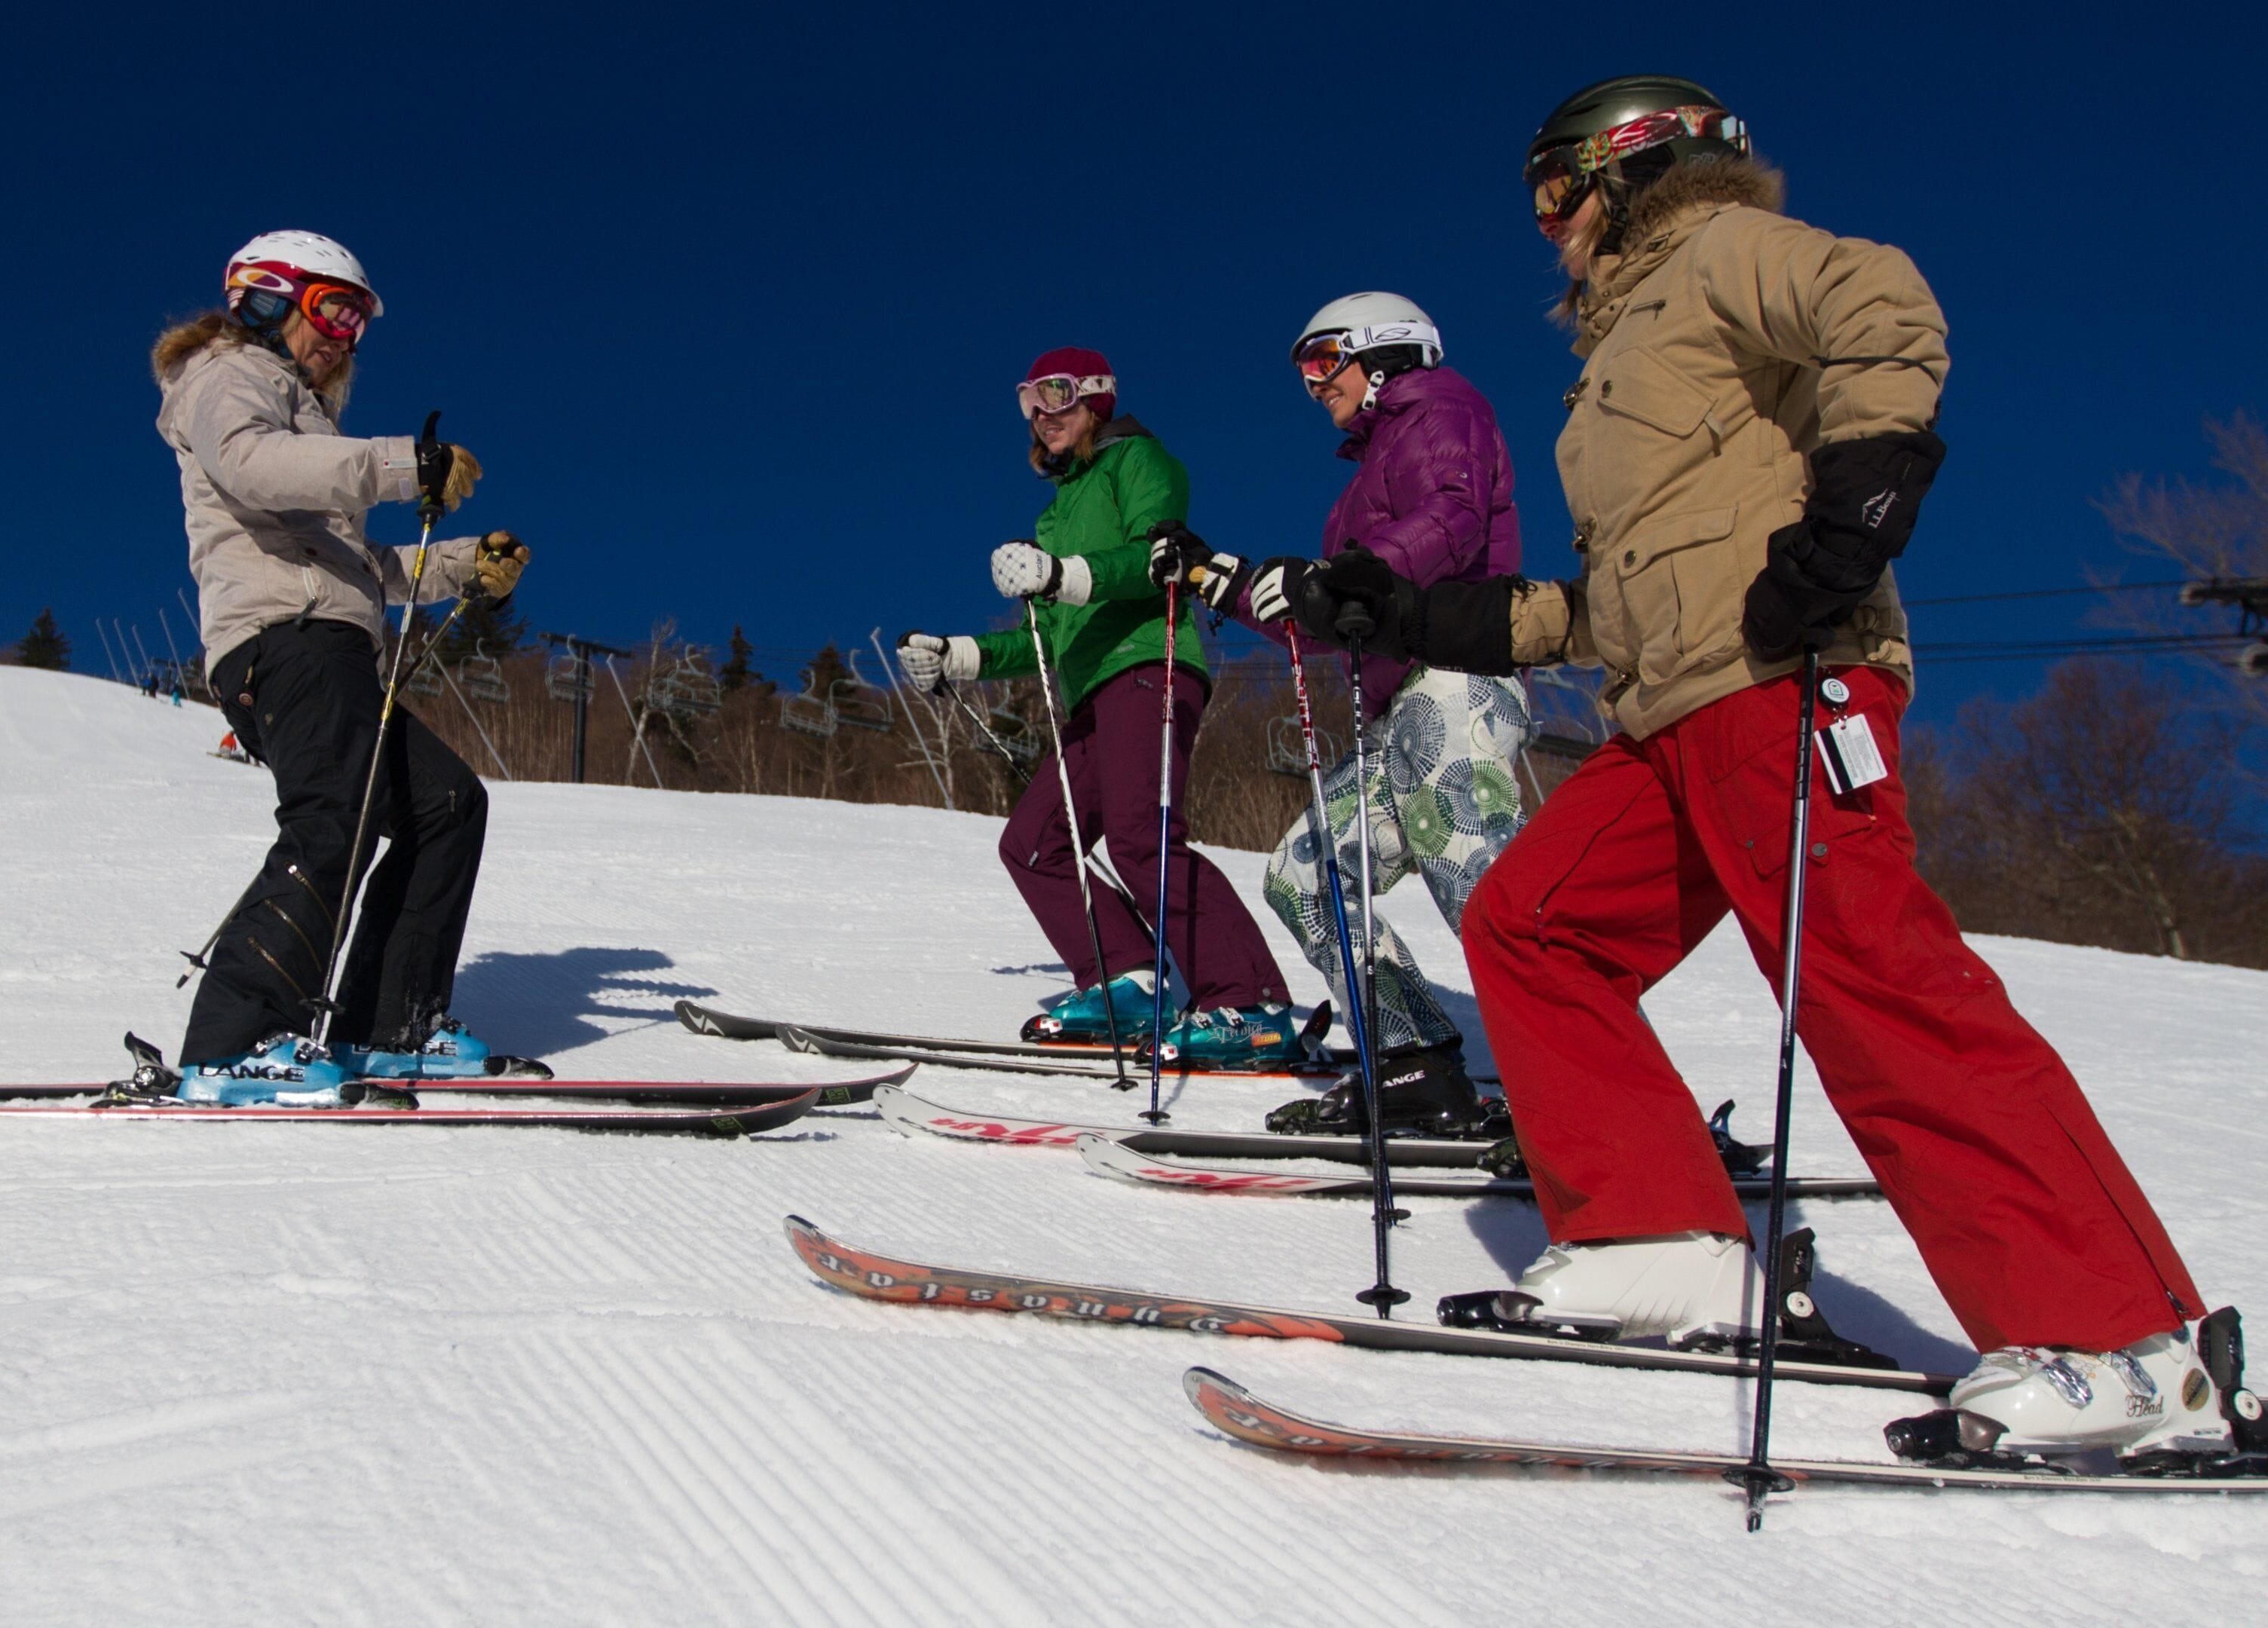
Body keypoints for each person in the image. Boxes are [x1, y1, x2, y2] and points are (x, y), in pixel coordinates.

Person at [1274, 78, 2241, 1464]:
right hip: (1663, 716)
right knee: (1531, 925)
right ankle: (1667, 1241)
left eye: (1554, 193)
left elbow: (1885, 307)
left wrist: (1858, 508)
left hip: (1783, 681)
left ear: (1629, 169)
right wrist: (1409, 618)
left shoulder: (1720, 254)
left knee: (1869, 978)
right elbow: (1598, 607)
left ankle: (2130, 1345)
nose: (1544, 227)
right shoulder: (1611, 369)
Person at [151, 229, 534, 1103]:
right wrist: (401, 465)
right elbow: (252, 467)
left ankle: (388, 1027)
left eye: (358, 321)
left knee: (445, 806)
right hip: (282, 641)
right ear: (268, 298)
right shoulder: (227, 375)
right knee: (334, 822)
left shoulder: (307, 419)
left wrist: (463, 564)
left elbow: (366, 570)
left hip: (332, 640)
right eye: (332, 310)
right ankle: (230, 1043)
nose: (342, 336)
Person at [1150, 294, 1530, 1117]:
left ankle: (1603, 1089)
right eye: (1303, 372)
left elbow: (1453, 522)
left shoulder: (1440, 409)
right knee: (1306, 877)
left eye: (1323, 361)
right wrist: (1222, 575)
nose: (1312, 384)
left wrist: (1340, 579)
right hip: (1402, 710)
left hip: (1458, 679)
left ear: (1384, 353)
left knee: (1482, 889)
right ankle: (1415, 1060)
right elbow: (1327, 618)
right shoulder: (1362, 481)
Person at [897, 347, 1295, 1050]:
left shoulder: (1140, 461)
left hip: (1149, 667)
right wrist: (959, 655)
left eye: (1057, 394)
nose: (1042, 413)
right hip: (1088, 697)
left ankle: (1251, 1005)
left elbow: (1160, 557)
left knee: (1143, 840)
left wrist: (1064, 572)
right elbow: (1044, 637)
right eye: (1028, 400)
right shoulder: (1055, 514)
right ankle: (1131, 982)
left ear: (1098, 397)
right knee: (1033, 845)